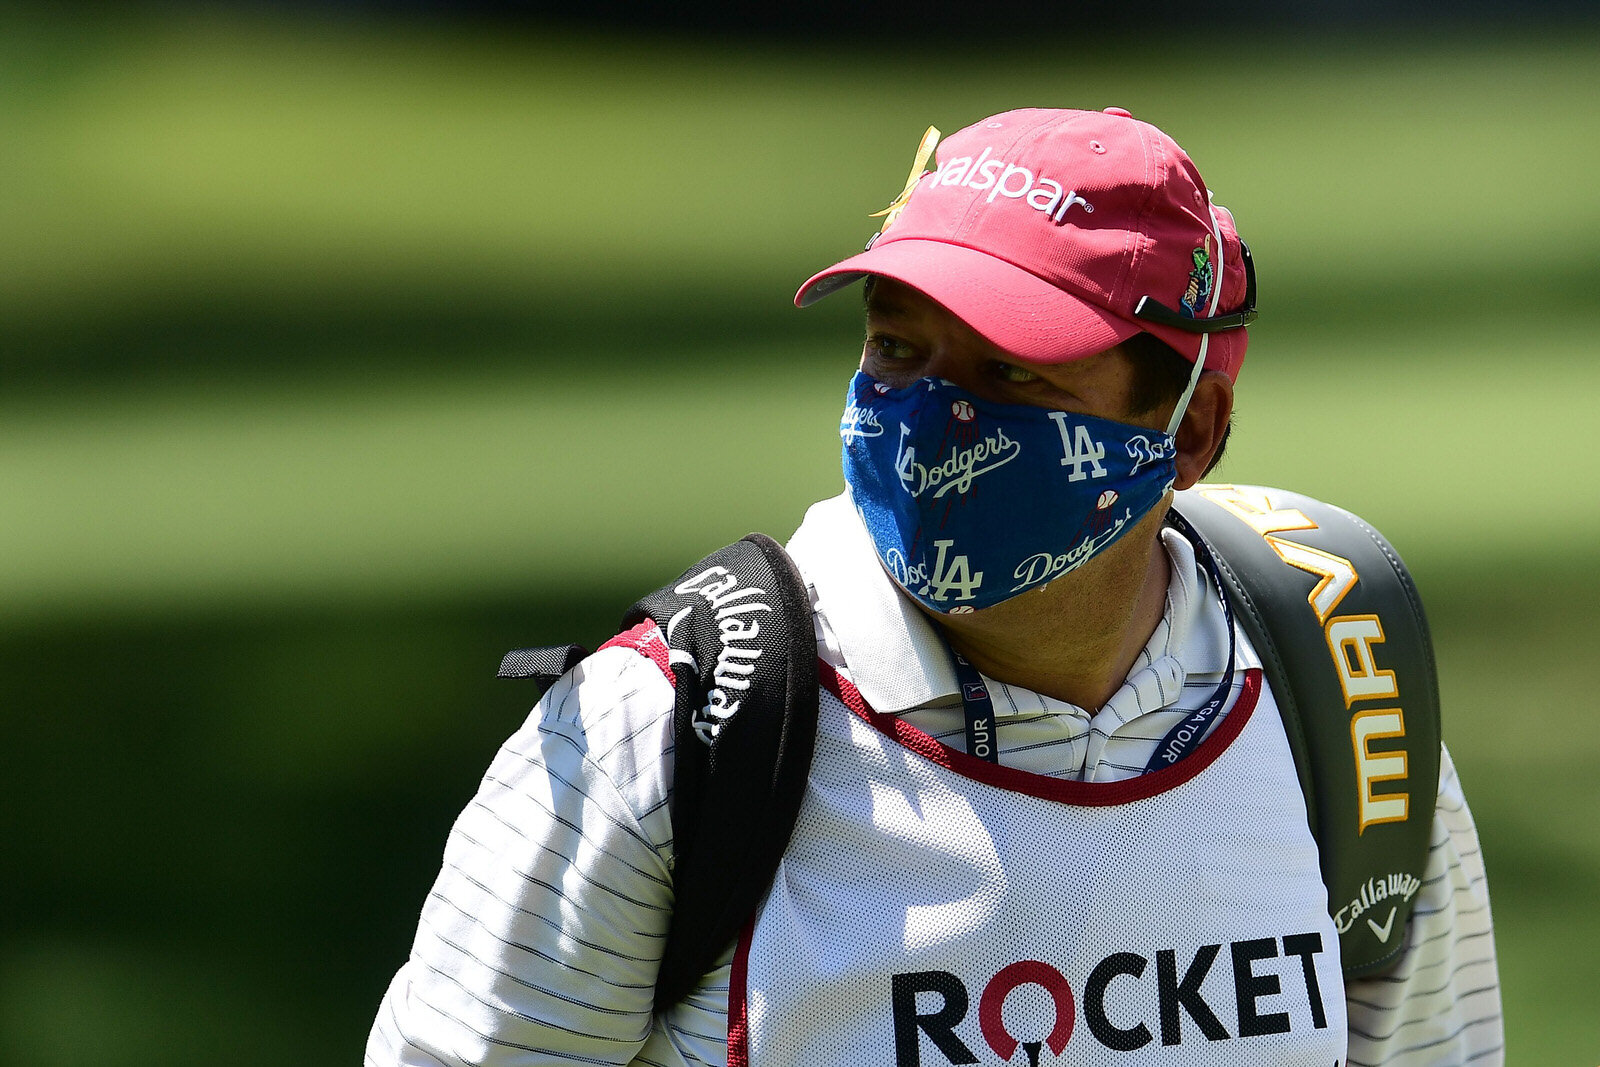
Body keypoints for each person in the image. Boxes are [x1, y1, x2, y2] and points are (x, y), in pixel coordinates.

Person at [366, 107, 1502, 1066]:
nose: (933, 420)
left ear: (1189, 427)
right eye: (898, 352)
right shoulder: (665, 733)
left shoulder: (1344, 692)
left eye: (1011, 370)